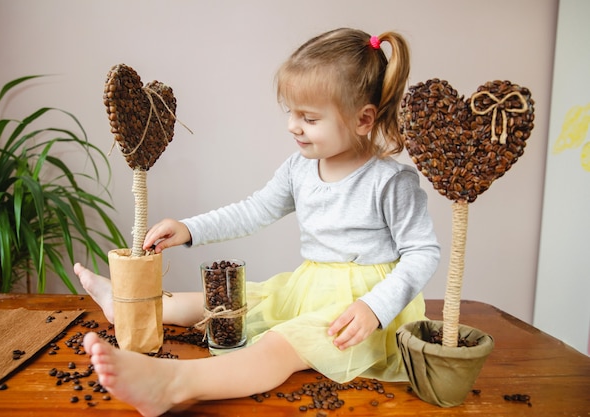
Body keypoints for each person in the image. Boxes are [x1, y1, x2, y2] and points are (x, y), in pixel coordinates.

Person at [75, 27, 440, 417]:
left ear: (364, 119)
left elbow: (422, 253)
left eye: (309, 117)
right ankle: (128, 307)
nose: (292, 126)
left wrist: (375, 307)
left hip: (361, 313)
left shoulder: (390, 181)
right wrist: (190, 228)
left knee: (279, 347)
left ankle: (173, 384)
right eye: (291, 112)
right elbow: (254, 210)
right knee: (227, 304)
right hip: (308, 287)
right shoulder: (300, 168)